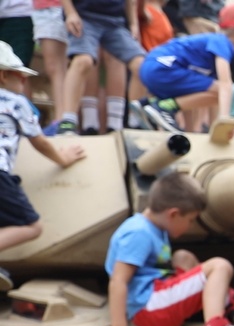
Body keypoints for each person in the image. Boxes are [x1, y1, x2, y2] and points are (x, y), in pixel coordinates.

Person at [105, 172, 234, 326]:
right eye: (190, 220)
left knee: (182, 256)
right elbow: (118, 281)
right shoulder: (138, 233)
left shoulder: (154, 226)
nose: (190, 226)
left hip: (156, 299)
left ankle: (230, 301)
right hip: (151, 310)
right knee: (220, 265)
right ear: (173, 214)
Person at [0, 40, 86, 290]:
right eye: (21, 76)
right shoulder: (14, 102)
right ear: (4, 76)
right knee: (31, 226)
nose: (24, 83)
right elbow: (40, 142)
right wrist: (63, 158)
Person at [131, 2, 234, 133]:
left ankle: (148, 104)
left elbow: (195, 99)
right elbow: (225, 86)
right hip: (163, 67)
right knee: (219, 90)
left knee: (197, 93)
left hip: (151, 66)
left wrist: (193, 133)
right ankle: (164, 107)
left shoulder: (209, 52)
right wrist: (225, 121)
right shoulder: (222, 42)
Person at [55, 0, 147, 135]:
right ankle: (68, 121)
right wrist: (70, 13)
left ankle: (136, 123)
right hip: (84, 17)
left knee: (143, 66)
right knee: (83, 60)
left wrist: (133, 23)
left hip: (116, 22)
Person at [31, 0, 68, 135]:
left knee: (59, 67)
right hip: (41, 8)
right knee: (52, 67)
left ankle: (62, 120)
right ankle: (60, 119)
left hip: (61, 8)